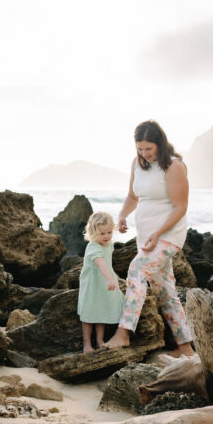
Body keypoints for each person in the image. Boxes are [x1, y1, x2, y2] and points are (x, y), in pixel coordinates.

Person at [105, 120, 196, 357]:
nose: (144, 153)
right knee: (165, 289)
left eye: (149, 148)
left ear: (160, 144)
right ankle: (185, 348)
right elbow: (133, 196)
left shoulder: (174, 166)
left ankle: (123, 333)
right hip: (147, 236)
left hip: (168, 234)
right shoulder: (138, 163)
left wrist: (158, 234)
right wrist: (123, 215)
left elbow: (180, 207)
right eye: (140, 148)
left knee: (136, 271)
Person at [77, 211, 125, 353]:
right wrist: (110, 278)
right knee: (89, 312)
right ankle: (86, 344)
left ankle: (99, 340)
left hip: (104, 282)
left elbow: (109, 264)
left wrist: (113, 278)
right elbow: (100, 263)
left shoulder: (108, 244)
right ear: (92, 233)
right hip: (92, 283)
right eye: (102, 234)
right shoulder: (93, 247)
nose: (106, 236)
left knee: (101, 310)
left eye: (109, 232)